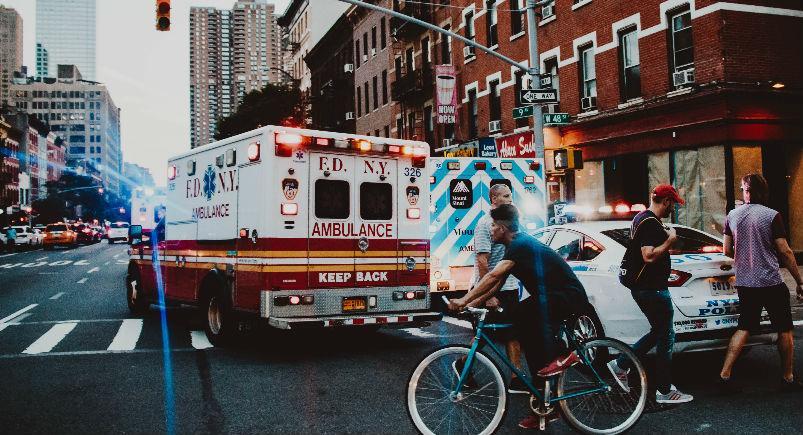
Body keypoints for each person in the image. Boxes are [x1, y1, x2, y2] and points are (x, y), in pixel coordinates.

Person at [448, 204, 590, 428]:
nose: (491, 229)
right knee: (531, 343)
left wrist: (463, 300)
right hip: (553, 297)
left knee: (522, 314)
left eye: (494, 225)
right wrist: (472, 304)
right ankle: (544, 406)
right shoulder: (513, 247)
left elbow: (494, 275)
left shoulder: (520, 244)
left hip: (565, 296)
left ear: (503, 228)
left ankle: (564, 355)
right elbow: (496, 286)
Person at [607, 184, 693, 404]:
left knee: (660, 333)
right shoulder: (651, 224)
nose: (672, 208)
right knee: (665, 336)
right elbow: (649, 256)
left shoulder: (641, 218)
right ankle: (663, 389)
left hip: (646, 288)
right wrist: (670, 241)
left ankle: (623, 365)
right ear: (666, 201)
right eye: (672, 204)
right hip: (652, 289)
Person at [718, 174, 803, 392]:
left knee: (745, 326)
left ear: (745, 191)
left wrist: (744, 253)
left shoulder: (733, 215)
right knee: (784, 329)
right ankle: (787, 377)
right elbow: (784, 251)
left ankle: (725, 373)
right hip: (771, 281)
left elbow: (727, 250)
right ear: (764, 191)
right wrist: (799, 281)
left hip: (746, 282)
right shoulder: (771, 216)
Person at [453, 184, 527, 394]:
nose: (510, 199)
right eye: (505, 196)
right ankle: (463, 365)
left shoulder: (509, 223)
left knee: (514, 333)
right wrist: (489, 295)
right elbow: (482, 260)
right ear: (493, 199)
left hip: (509, 286)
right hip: (491, 287)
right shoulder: (485, 224)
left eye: (511, 195)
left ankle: (516, 377)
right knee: (484, 335)